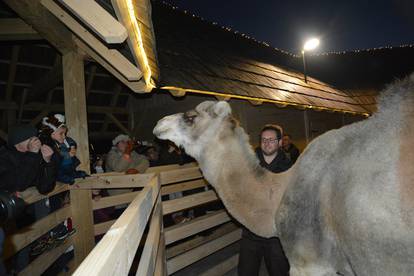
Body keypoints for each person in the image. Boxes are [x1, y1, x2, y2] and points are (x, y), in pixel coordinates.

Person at [238, 124, 291, 276]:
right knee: (246, 271)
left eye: (271, 140)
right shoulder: (249, 164)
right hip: (251, 229)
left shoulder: (287, 167)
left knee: (279, 271)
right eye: (264, 139)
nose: (267, 143)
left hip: (275, 232)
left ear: (280, 143)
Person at [0, 125, 56, 194]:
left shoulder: (35, 156)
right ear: (18, 142)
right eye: (31, 139)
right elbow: (19, 185)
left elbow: (46, 188)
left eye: (36, 138)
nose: (37, 141)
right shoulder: (4, 158)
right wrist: (32, 154)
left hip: (37, 202)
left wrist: (48, 162)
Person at [39, 114, 87, 184]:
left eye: (65, 133)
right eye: (61, 134)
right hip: (59, 168)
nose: (64, 136)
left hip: (68, 164)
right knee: (60, 173)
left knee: (70, 170)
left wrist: (73, 146)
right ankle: (66, 178)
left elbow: (70, 141)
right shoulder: (49, 145)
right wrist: (68, 155)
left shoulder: (63, 140)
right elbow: (56, 155)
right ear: (52, 134)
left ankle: (74, 174)